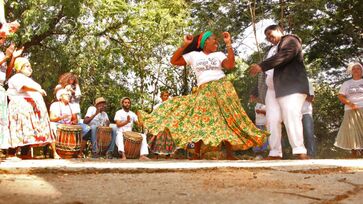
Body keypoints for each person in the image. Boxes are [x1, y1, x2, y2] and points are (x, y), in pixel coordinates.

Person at [140, 31, 268, 160]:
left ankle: (229, 153)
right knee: (199, 119)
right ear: (205, 41)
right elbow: (174, 61)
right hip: (204, 90)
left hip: (222, 88)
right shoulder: (194, 56)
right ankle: (196, 153)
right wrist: (184, 45)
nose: (217, 42)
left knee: (227, 119)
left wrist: (229, 44)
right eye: (214, 39)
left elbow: (230, 65)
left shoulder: (219, 54)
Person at [249, 24, 309, 160]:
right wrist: (256, 90)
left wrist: (261, 65)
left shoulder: (290, 40)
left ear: (280, 31)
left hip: (290, 85)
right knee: (272, 119)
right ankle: (275, 152)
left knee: (291, 115)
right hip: (272, 90)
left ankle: (300, 151)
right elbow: (266, 73)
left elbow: (285, 55)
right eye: (267, 37)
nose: (270, 38)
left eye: (271, 34)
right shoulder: (270, 50)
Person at [6, 57, 59, 159]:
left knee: (28, 132)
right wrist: (37, 89)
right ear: (19, 67)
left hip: (31, 111)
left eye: (30, 66)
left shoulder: (29, 80)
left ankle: (25, 154)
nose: (30, 68)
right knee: (19, 129)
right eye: (27, 66)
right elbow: (22, 87)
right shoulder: (16, 77)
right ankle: (12, 153)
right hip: (20, 109)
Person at [49, 89, 90, 158]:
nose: (68, 96)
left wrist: (74, 122)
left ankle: (79, 152)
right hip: (57, 123)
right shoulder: (54, 105)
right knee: (50, 127)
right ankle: (55, 153)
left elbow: (75, 119)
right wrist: (60, 118)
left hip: (69, 124)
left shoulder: (71, 106)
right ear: (61, 97)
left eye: (68, 95)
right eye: (66, 94)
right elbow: (51, 118)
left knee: (87, 129)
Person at [335, 62, 363, 158]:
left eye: (358, 68)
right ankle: (354, 151)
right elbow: (340, 96)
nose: (356, 70)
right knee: (352, 129)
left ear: (361, 71)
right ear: (351, 71)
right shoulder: (347, 83)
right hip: (350, 108)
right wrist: (350, 104)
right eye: (354, 68)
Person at [302, 80, 315, 158]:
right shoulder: (290, 82)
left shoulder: (307, 82)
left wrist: (300, 94)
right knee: (296, 134)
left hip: (306, 112)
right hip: (294, 113)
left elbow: (311, 98)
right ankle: (300, 155)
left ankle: (311, 155)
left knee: (309, 133)